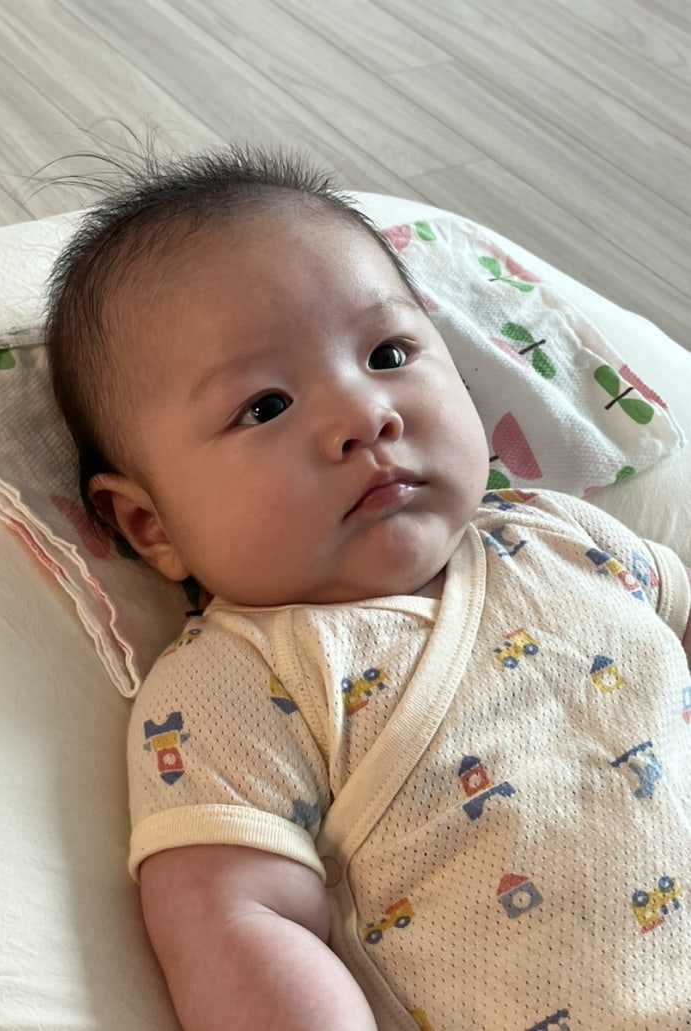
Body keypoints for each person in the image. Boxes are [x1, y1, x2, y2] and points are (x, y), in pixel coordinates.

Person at [46, 146, 691, 1031]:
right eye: (265, 405)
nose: (363, 414)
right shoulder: (238, 683)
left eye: (388, 352)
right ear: (150, 525)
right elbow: (236, 919)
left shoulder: (560, 535)